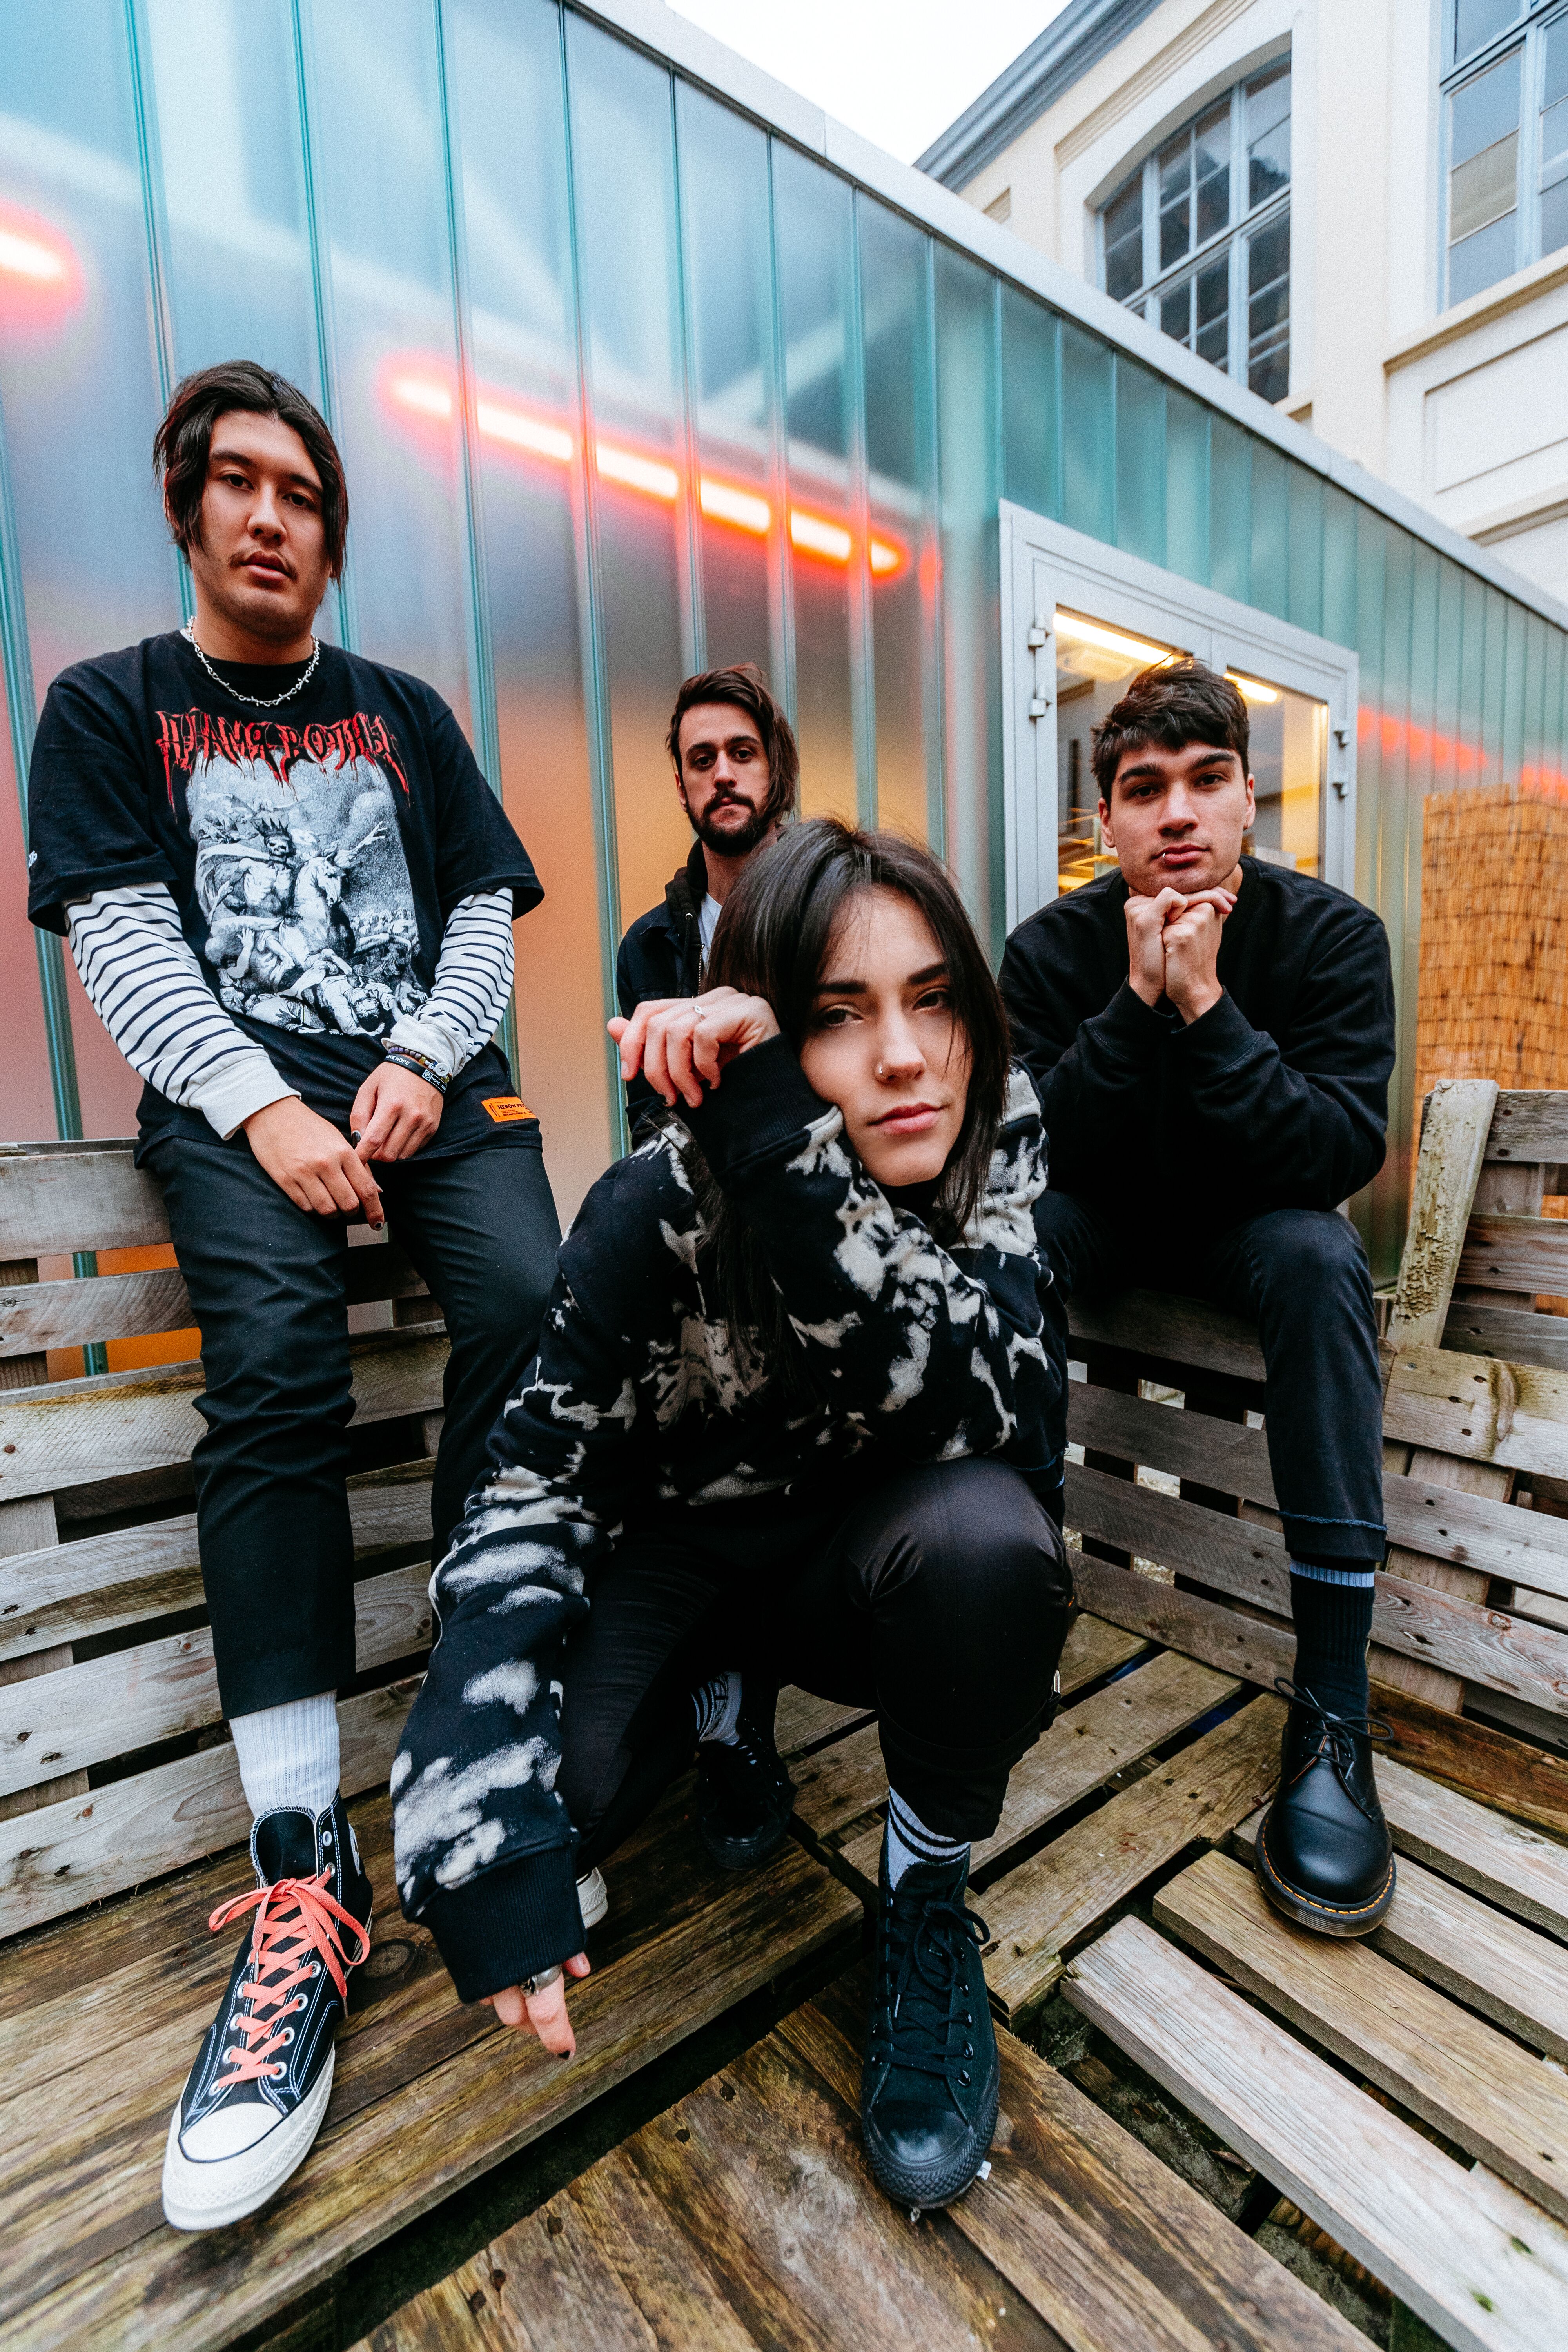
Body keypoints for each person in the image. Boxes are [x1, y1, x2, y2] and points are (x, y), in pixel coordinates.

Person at [24, 361, 564, 2232]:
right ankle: (300, 1852)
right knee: (272, 1362)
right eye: (236, 483)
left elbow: (480, 915)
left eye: (302, 493)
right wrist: (259, 1103)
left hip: (425, 1085)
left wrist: (419, 1057)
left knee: (536, 1298)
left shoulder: (406, 715)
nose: (270, 517)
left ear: (334, 532)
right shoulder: (110, 707)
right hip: (234, 1098)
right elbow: (124, 941)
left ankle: (479, 1662)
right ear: (188, 509)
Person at [392, 819, 1073, 2213]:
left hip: (863, 1560)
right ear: (760, 1027)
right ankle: (719, 1705)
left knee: (990, 1547)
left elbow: (999, 1404)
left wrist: (788, 1149)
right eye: (837, 1015)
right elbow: (532, 1479)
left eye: (933, 998)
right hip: (687, 1554)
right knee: (551, 1809)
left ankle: (923, 1893)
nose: (904, 1055)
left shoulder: (991, 1137)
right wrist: (470, 1801)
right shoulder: (655, 1200)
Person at [998, 659, 1398, 1942]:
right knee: (1007, 1241)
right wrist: (1134, 1003)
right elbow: (1030, 1149)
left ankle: (1332, 1708)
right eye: (1144, 787)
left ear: (1247, 802)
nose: (1176, 812)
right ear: (1107, 821)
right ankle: (1012, 1603)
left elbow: (1334, 1153)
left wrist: (1208, 1004)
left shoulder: (1333, 938)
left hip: (1251, 1233)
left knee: (1323, 1259)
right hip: (1106, 1222)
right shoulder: (1049, 952)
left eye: (1206, 779)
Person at [615, 663, 798, 1127]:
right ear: (681, 788)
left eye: (742, 754)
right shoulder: (646, 947)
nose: (723, 775)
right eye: (702, 760)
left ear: (775, 771)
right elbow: (651, 1123)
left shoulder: (836, 909)